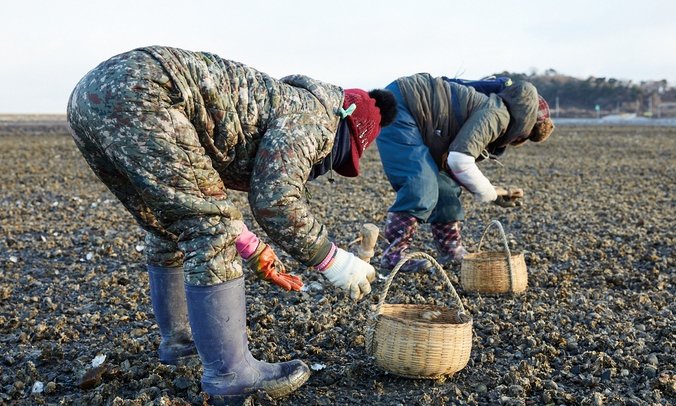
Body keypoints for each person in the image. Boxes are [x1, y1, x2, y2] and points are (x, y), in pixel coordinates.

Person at [66, 45, 396, 402]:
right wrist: (334, 261)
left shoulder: (281, 102)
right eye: (341, 158)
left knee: (169, 226)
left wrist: (253, 251)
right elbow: (275, 202)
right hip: (147, 90)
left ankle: (180, 345)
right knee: (208, 231)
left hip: (91, 98)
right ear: (345, 131)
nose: (324, 167)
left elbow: (200, 194)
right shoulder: (315, 118)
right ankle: (233, 375)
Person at [375, 73, 554, 271]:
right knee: (420, 184)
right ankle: (392, 257)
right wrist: (491, 193)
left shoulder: (498, 111)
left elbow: (455, 167)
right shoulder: (498, 115)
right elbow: (460, 161)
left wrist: (494, 192)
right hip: (402, 105)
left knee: (447, 189)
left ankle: (451, 250)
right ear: (526, 126)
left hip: (424, 119)